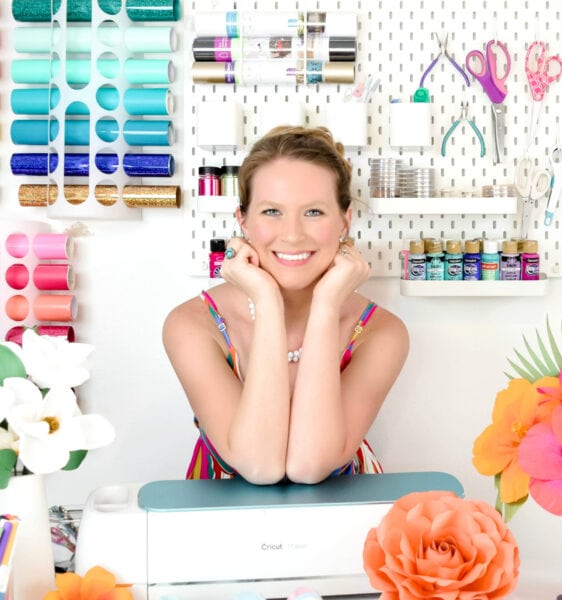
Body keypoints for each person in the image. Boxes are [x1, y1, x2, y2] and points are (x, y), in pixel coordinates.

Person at [163, 125, 409, 485]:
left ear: (344, 221)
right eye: (272, 211)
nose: (292, 234)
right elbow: (259, 465)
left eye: (313, 212)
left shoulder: (381, 332)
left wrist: (325, 306)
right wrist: (267, 302)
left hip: (345, 523)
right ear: (243, 221)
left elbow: (310, 465)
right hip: (218, 526)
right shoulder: (192, 325)